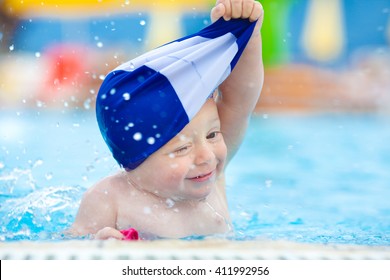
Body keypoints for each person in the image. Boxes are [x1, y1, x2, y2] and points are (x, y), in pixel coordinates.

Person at [68, 0, 264, 240]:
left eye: (212, 135)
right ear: (135, 159)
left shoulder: (212, 177)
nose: (207, 156)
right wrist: (97, 245)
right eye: (182, 148)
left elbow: (239, 104)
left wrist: (249, 36)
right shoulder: (109, 198)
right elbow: (68, 248)